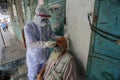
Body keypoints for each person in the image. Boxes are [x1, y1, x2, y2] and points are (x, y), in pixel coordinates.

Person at [24, 4, 61, 80]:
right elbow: (31, 43)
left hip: (45, 55)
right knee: (33, 74)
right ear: (37, 17)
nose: (45, 21)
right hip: (34, 56)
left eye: (46, 19)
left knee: (43, 72)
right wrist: (45, 44)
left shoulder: (47, 25)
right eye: (43, 19)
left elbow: (51, 34)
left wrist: (58, 37)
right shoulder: (29, 27)